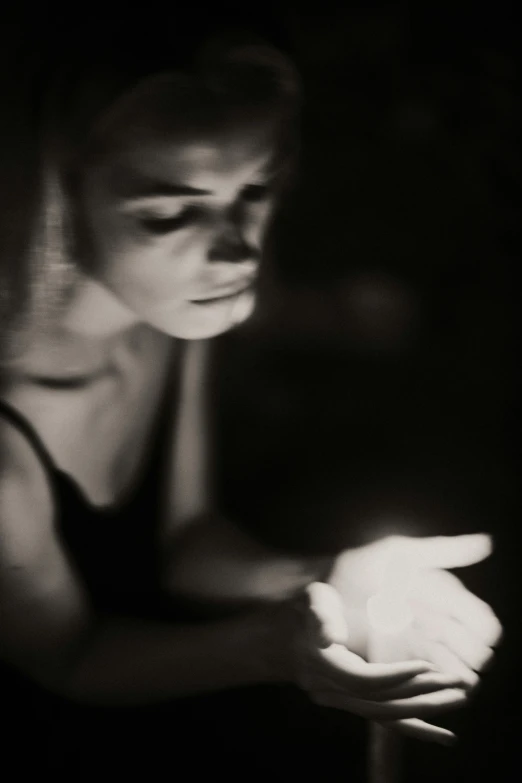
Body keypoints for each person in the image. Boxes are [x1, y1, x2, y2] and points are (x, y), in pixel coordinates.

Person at [0, 6, 502, 774]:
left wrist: (331, 575)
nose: (237, 248)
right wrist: (274, 649)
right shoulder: (8, 448)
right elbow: (69, 657)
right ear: (58, 204)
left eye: (255, 189)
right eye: (171, 213)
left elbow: (187, 541)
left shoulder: (171, 312)